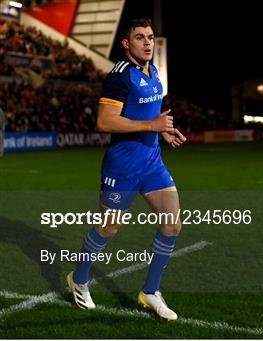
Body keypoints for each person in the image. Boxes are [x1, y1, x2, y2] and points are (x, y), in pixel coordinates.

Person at [66, 18, 186, 320]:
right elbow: (105, 122)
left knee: (172, 224)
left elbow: (148, 112)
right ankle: (78, 280)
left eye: (150, 37)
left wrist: (161, 131)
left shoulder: (153, 70)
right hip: (123, 166)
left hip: (152, 160)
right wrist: (151, 125)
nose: (147, 43)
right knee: (109, 227)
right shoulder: (119, 77)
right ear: (126, 43)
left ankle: (150, 292)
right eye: (140, 37)